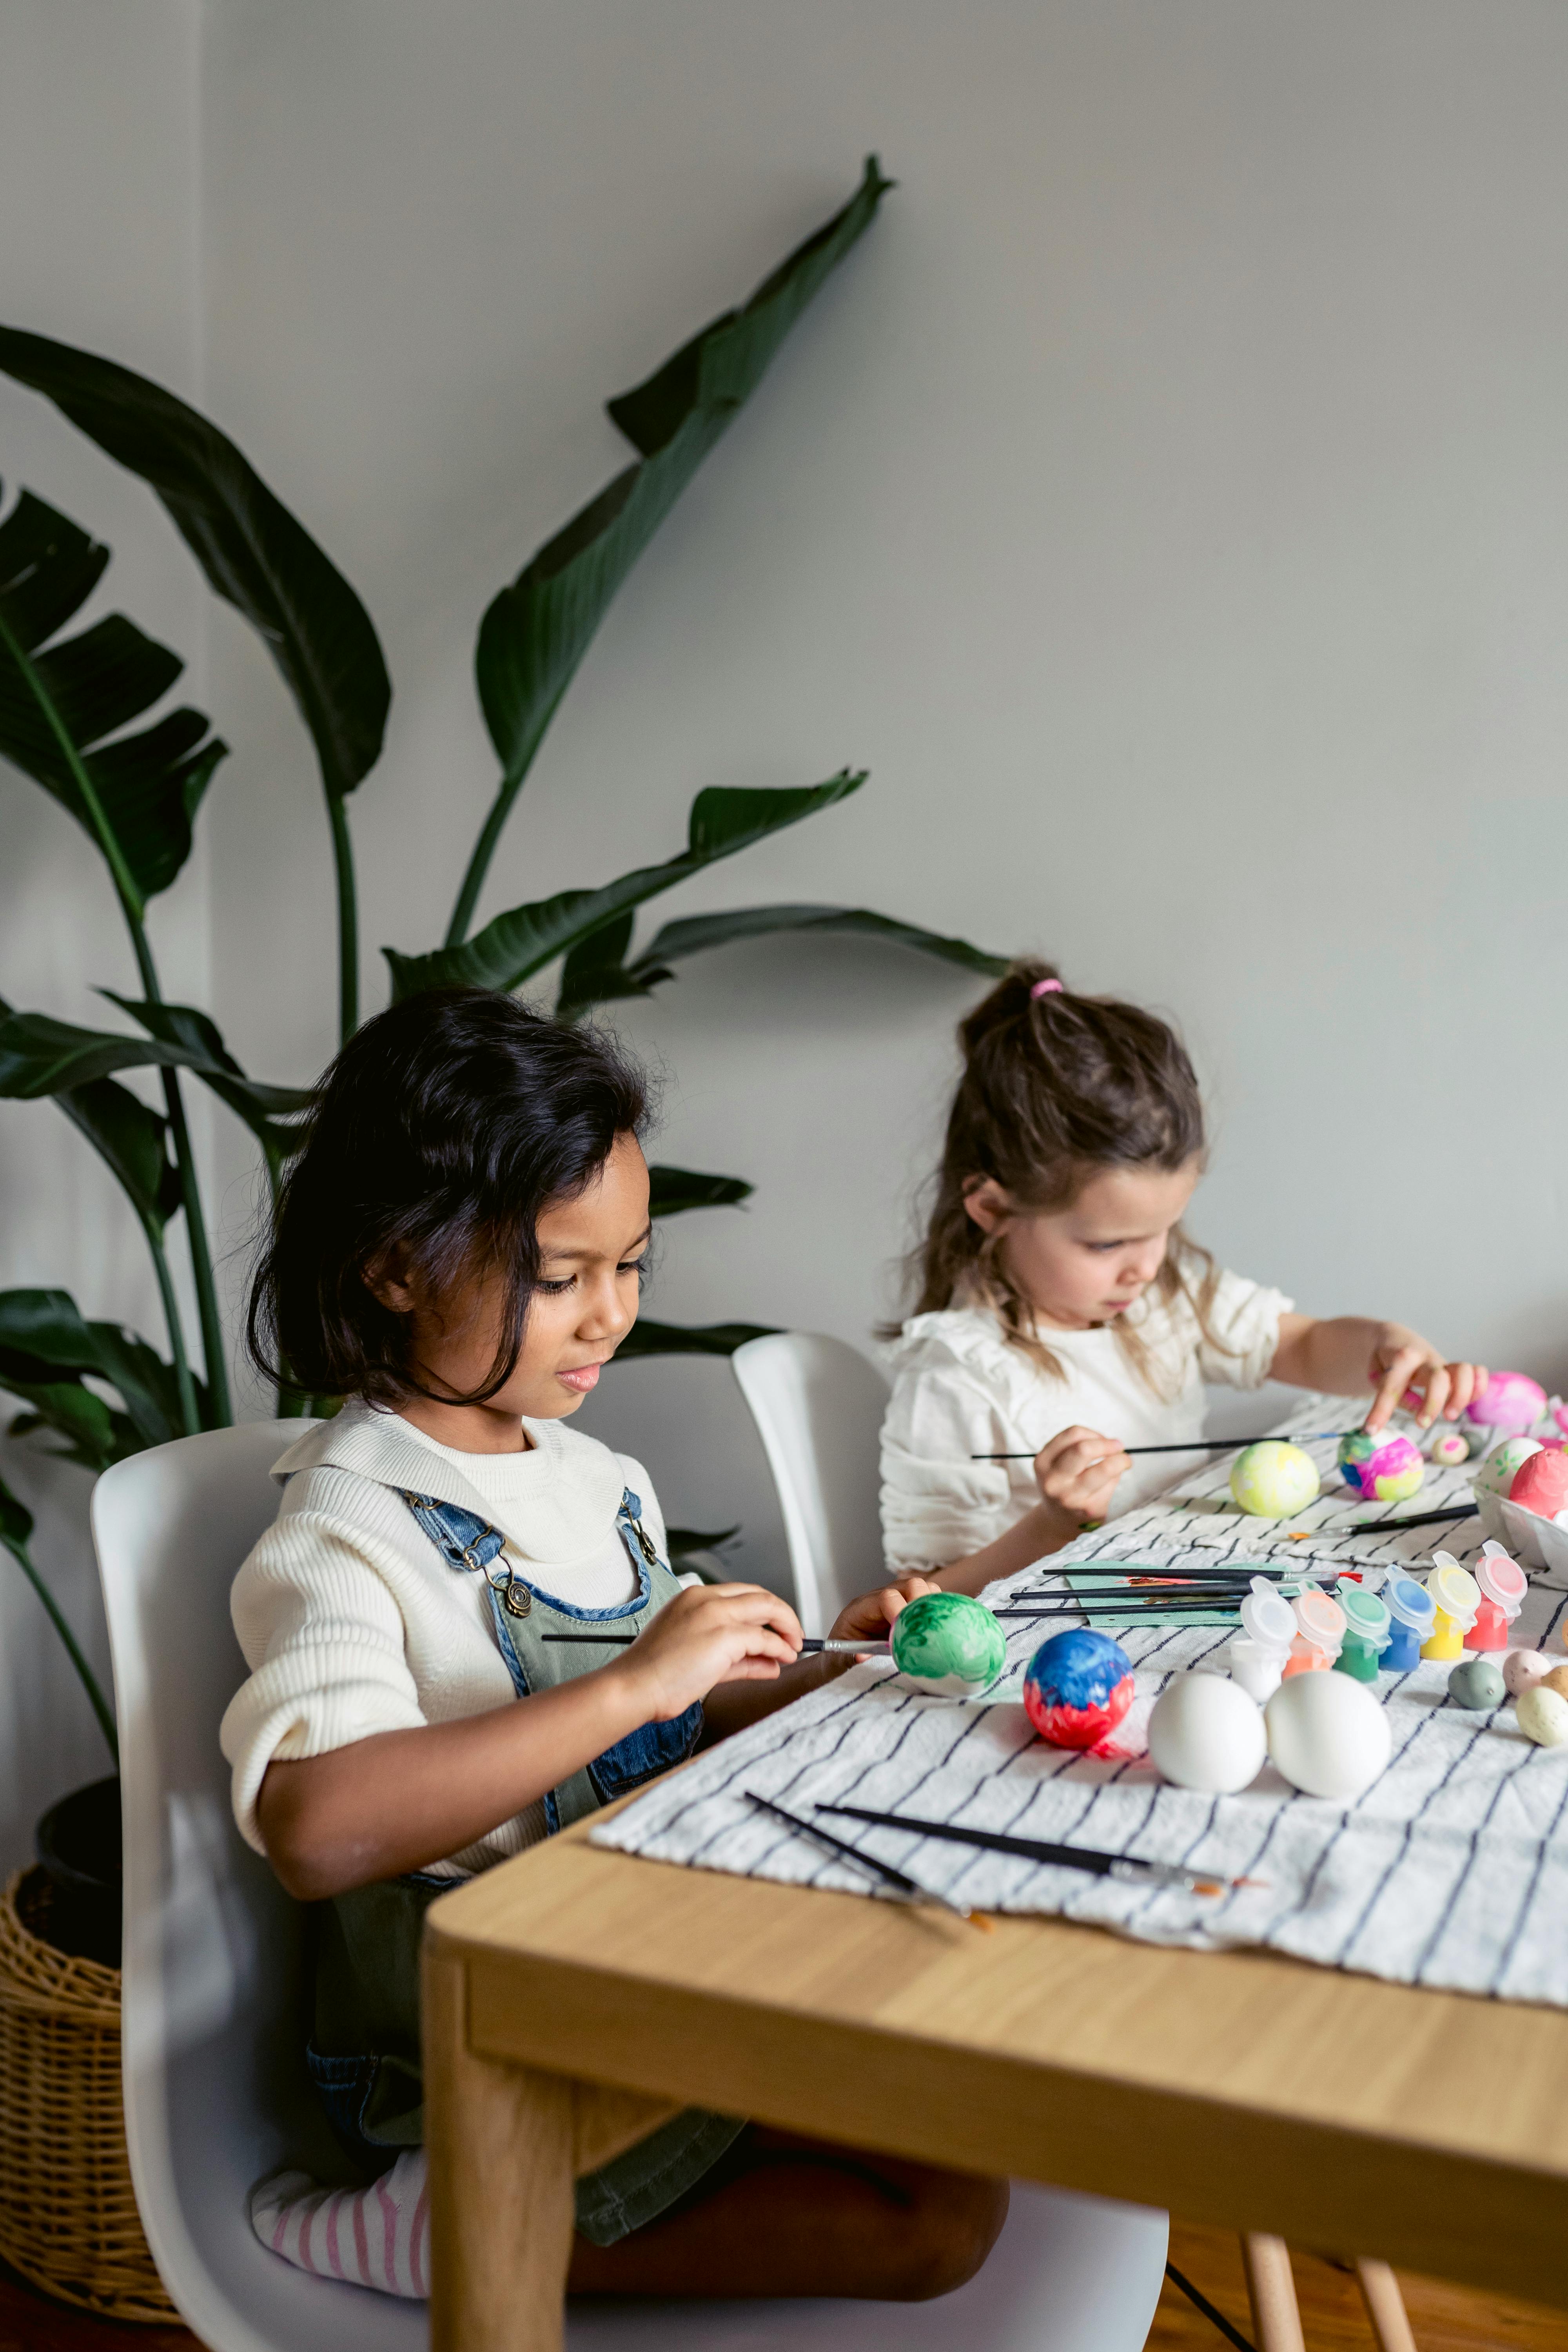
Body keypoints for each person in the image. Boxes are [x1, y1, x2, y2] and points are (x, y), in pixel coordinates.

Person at [222, 987, 1001, 2303]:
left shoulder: (602, 1481)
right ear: (397, 1262)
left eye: (630, 1265)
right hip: (471, 2042)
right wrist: (646, 1674)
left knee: (965, 2168)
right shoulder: (344, 1524)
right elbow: (317, 1829)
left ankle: (507, 2226)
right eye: (560, 1275)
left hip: (640, 1958)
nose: (609, 1315)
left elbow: (672, 1719)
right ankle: (446, 2226)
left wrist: (813, 1664)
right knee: (932, 2227)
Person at [879, 961, 1486, 1590]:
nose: (1145, 1267)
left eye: (1161, 1230)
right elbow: (919, 1598)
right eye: (1108, 1243)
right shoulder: (957, 1381)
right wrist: (1053, 1524)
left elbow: (1301, 1345)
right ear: (994, 1209)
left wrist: (1381, 1349)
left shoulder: (1167, 1298)